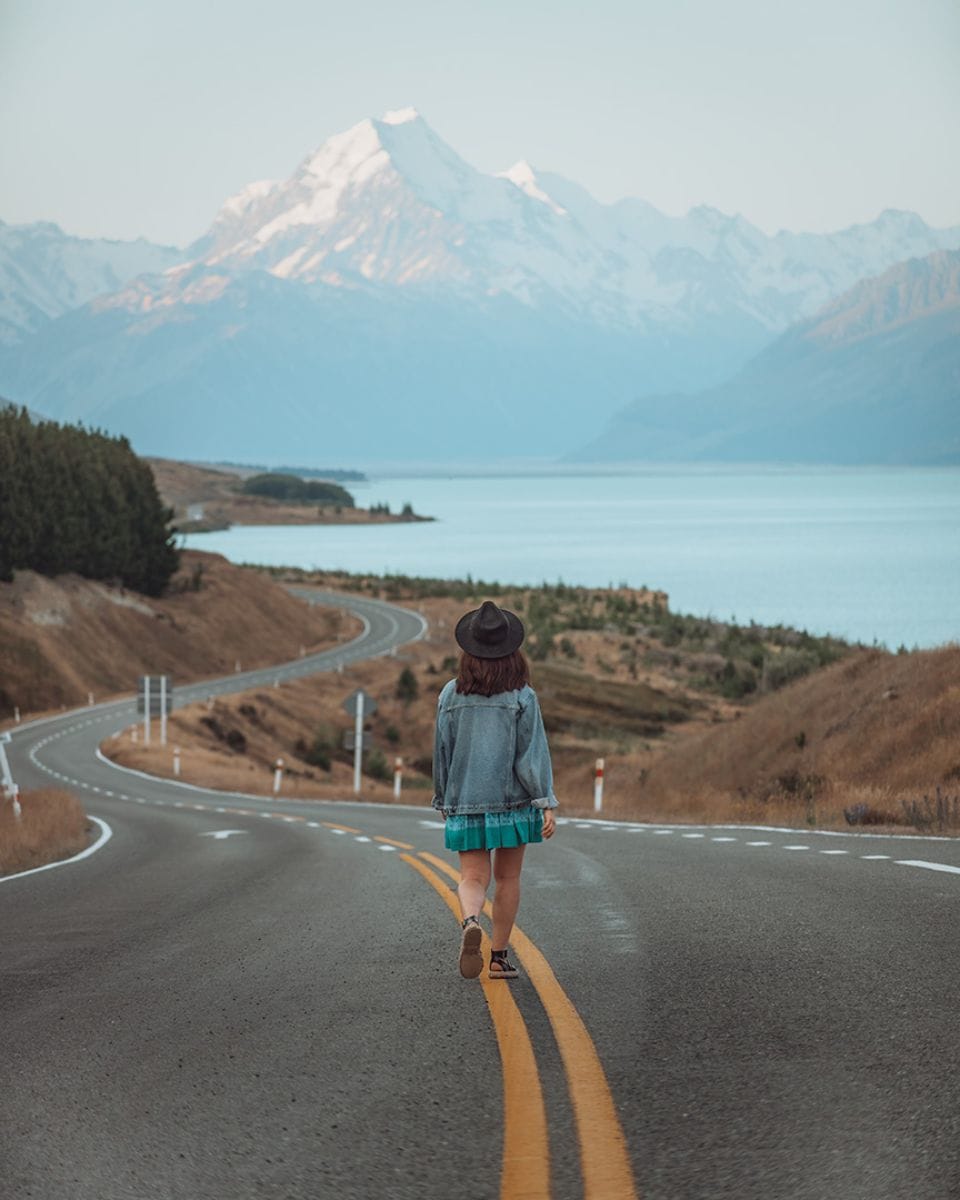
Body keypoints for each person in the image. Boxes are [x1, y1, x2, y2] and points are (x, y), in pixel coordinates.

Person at [432, 600, 558, 980]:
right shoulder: (522, 696)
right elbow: (530, 755)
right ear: (511, 651)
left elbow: (443, 752)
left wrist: (443, 798)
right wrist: (546, 802)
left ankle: (471, 919)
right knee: (508, 878)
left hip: (465, 800)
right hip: (513, 803)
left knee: (472, 878)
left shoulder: (450, 695)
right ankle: (499, 957)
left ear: (469, 650)